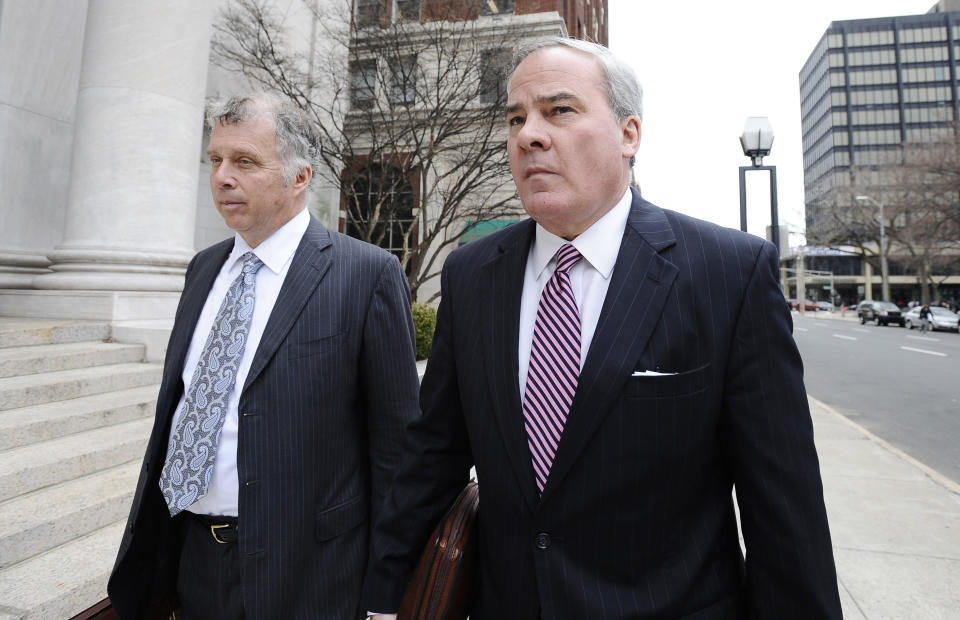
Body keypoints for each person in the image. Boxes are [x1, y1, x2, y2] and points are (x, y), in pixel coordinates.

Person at [363, 38, 841, 619]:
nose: (528, 135)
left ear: (628, 134)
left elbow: (782, 504)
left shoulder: (728, 273)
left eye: (559, 110)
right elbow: (432, 456)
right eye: (516, 118)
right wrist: (384, 600)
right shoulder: (472, 274)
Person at [107, 93, 421, 619]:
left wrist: (387, 595)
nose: (223, 177)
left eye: (245, 162)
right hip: (193, 561)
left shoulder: (365, 274)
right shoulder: (202, 271)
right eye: (216, 160)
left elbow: (396, 450)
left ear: (300, 177)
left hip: (311, 576)